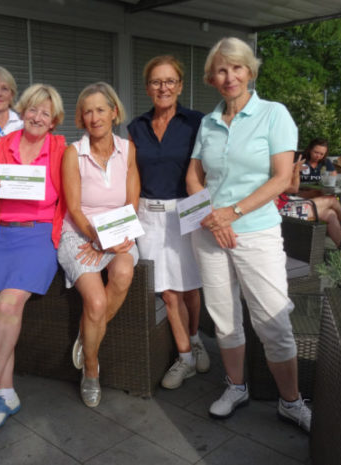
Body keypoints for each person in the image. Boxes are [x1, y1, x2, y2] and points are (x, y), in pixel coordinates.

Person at [186, 37, 311, 432]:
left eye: (237, 67)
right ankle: (236, 386)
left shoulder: (274, 114)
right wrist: (213, 218)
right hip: (210, 233)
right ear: (211, 78)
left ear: (250, 71)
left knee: (273, 322)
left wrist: (232, 213)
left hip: (255, 233)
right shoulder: (207, 122)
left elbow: (281, 178)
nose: (230, 76)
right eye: (221, 70)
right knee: (224, 319)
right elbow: (194, 177)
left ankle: (291, 401)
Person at [0, 83, 66, 431]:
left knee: (7, 306)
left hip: (38, 236)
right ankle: (7, 394)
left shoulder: (61, 149)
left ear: (54, 121)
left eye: (45, 113)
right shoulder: (0, 145)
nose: (37, 117)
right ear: (23, 111)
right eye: (32, 109)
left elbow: (74, 196)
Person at [128, 55, 210, 390]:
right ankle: (185, 357)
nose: (163, 87)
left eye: (170, 81)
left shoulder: (196, 122)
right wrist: (128, 220)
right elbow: (132, 176)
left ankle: (196, 338)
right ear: (147, 88)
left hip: (186, 211)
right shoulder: (136, 127)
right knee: (169, 291)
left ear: (180, 85)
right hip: (149, 215)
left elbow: (206, 169)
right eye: (156, 81)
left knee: (190, 287)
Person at [58, 82, 140, 407]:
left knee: (123, 273)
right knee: (94, 302)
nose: (95, 118)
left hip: (118, 230)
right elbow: (74, 209)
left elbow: (132, 202)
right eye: (88, 111)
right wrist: (97, 239)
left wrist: (115, 237)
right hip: (81, 234)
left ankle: (87, 334)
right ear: (81, 117)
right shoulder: (73, 153)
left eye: (101, 110)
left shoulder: (128, 150)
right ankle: (91, 368)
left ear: (114, 112)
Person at [277, 153, 341, 247]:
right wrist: (295, 170)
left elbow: (292, 189)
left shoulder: (276, 171)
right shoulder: (274, 172)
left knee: (331, 214)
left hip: (287, 203)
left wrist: (294, 170)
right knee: (332, 200)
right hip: (284, 209)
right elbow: (294, 189)